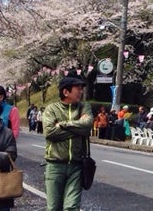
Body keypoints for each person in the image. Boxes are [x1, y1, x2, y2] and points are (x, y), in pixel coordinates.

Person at [43, 76, 93, 211]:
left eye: (82, 89)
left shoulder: (84, 107)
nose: (81, 92)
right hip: (55, 165)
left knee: (72, 207)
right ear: (66, 92)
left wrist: (63, 125)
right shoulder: (51, 109)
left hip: (76, 166)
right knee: (54, 207)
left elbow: (87, 125)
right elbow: (50, 133)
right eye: (78, 89)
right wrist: (78, 129)